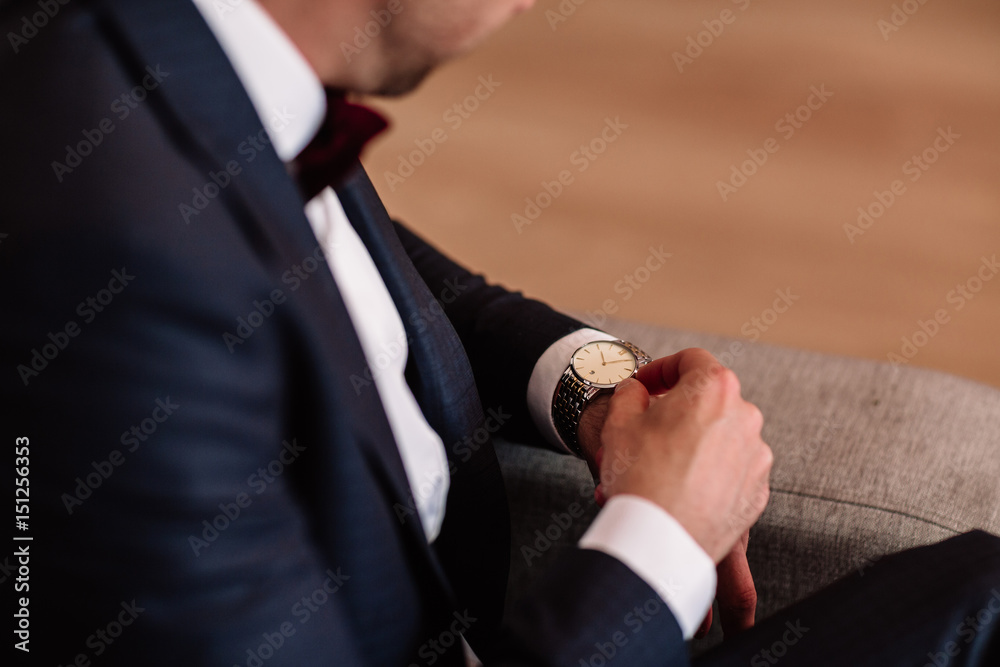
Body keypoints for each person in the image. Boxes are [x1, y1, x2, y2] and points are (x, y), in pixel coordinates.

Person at [0, 0, 997, 665]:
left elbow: (383, 283)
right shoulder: (114, 264)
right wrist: (661, 534)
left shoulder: (189, 53)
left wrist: (600, 396)